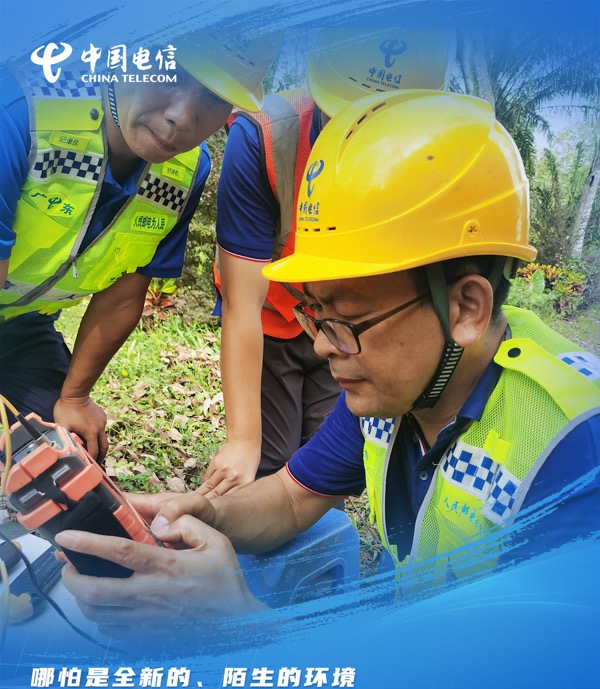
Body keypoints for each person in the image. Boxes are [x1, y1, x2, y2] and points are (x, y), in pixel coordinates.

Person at [58, 89, 600, 630]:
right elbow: (291, 498)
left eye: (349, 320)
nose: (321, 345)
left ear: (466, 308)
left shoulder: (573, 453)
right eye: (315, 313)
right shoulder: (399, 396)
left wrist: (239, 622)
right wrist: (208, 511)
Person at [0, 28, 280, 460]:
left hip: (22, 328)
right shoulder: (23, 111)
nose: (182, 117)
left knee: (66, 464)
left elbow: (122, 297)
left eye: (213, 97)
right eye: (171, 73)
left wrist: (74, 397)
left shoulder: (183, 174)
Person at [202, 28, 456, 495]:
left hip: (349, 327)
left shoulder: (431, 153)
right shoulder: (265, 138)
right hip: (273, 316)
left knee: (323, 465)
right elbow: (243, 303)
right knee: (268, 461)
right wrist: (242, 442)